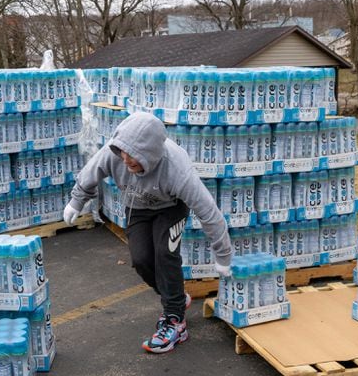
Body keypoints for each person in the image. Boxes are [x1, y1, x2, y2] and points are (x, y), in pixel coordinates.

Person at [64, 112, 233, 353]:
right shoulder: (116, 155)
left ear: (151, 154)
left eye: (134, 155)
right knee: (141, 260)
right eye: (124, 152)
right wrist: (77, 200)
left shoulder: (176, 169)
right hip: (137, 205)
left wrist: (223, 254)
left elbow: (209, 213)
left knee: (165, 253)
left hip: (170, 208)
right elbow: (93, 171)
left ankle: (175, 320)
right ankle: (175, 297)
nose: (126, 160)